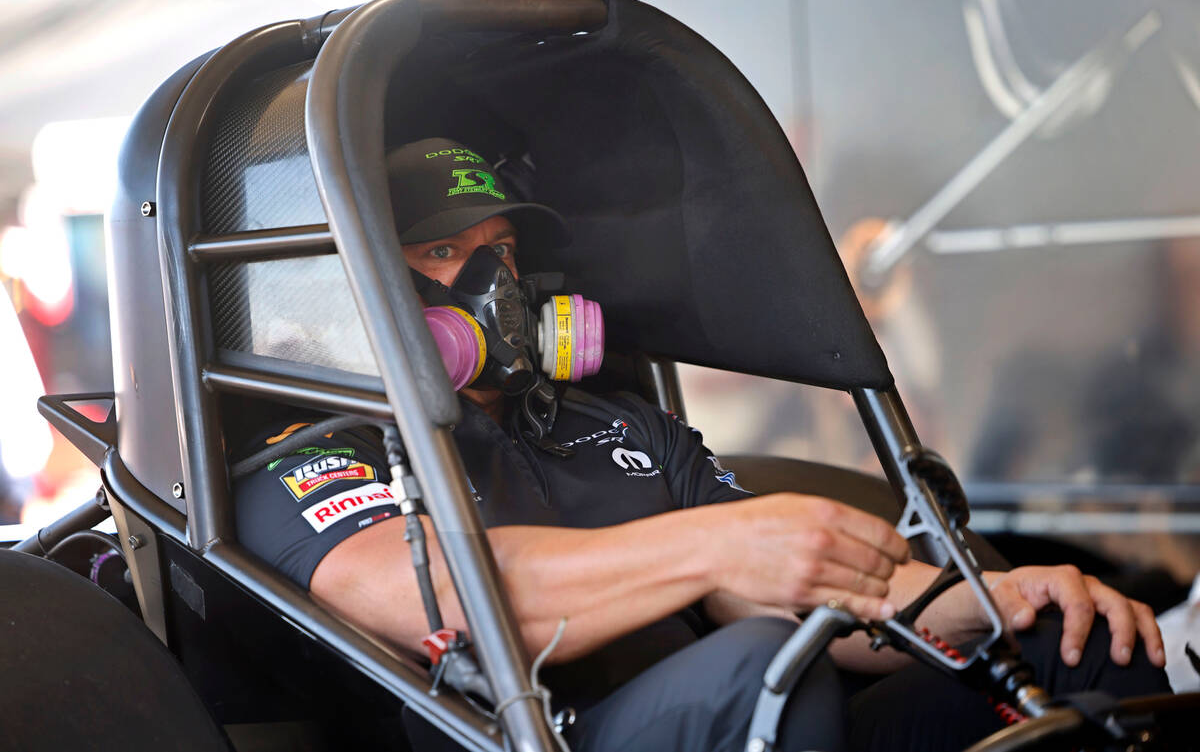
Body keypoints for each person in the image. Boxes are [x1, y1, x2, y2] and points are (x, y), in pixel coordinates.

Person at [234, 138, 1170, 752]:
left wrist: (983, 601)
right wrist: (714, 548)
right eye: (445, 254)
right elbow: (433, 593)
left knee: (1071, 639)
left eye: (504, 251)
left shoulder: (619, 424)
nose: (494, 281)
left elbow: (791, 578)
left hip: (736, 716)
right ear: (354, 282)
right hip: (538, 738)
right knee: (761, 669)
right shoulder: (314, 452)